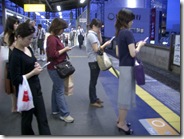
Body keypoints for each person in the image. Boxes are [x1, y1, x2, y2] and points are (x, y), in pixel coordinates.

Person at [9, 22, 51, 135]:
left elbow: (32, 62)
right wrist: (33, 72)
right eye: (29, 38)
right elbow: (15, 80)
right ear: (19, 37)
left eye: (32, 38)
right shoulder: (15, 56)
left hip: (36, 88)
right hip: (25, 92)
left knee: (43, 119)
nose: (31, 41)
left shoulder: (28, 48)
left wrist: (36, 65)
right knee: (26, 122)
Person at [114, 9, 146, 135]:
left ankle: (120, 120)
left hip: (123, 67)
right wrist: (140, 45)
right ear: (127, 21)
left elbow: (117, 53)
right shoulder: (128, 33)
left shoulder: (119, 33)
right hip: (128, 68)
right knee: (125, 98)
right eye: (131, 20)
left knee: (123, 95)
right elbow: (133, 53)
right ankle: (121, 124)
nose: (132, 22)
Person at [46, 18, 74, 123]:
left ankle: (55, 110)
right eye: (62, 28)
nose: (63, 31)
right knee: (60, 91)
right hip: (55, 68)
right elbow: (53, 54)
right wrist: (65, 49)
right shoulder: (52, 38)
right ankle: (64, 114)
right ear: (57, 27)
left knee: (56, 89)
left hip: (55, 67)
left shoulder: (54, 38)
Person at [86, 18, 111, 108]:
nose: (99, 29)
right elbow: (97, 49)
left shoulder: (94, 34)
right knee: (93, 81)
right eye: (98, 27)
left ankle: (95, 98)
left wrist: (99, 33)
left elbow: (99, 42)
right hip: (93, 61)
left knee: (94, 81)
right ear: (93, 26)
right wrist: (106, 45)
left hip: (95, 60)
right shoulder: (91, 35)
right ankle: (92, 100)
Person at [3, 16, 19, 113]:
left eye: (17, 23)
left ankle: (15, 107)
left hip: (14, 61)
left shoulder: (14, 34)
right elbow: (14, 47)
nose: (17, 25)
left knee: (15, 86)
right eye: (15, 23)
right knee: (14, 86)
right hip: (11, 62)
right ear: (11, 24)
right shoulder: (8, 35)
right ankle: (15, 107)